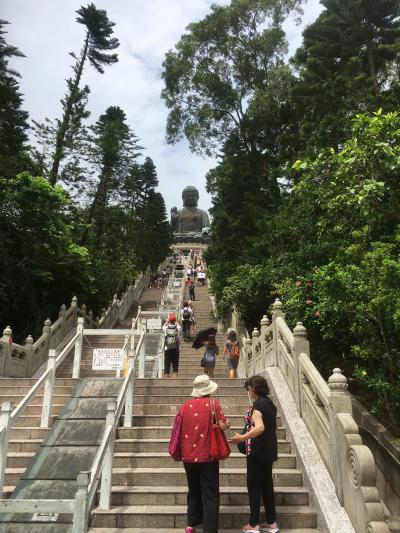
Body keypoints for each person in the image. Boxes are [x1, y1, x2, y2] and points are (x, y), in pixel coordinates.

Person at [175, 374, 230, 533]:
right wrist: (228, 423)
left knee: (193, 490)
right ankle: (210, 529)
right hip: (208, 455)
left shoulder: (184, 406)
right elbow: (222, 426)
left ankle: (191, 523)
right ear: (208, 389)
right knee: (210, 493)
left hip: (188, 456)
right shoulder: (213, 404)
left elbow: (178, 428)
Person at [229, 375, 279, 533]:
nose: (249, 391)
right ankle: (271, 523)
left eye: (250, 388)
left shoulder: (257, 405)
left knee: (254, 487)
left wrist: (241, 438)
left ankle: (253, 524)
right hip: (269, 450)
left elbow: (260, 427)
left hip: (256, 452)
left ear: (255, 389)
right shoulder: (270, 403)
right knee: (266, 486)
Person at [162, 313, 182, 378]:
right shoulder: (178, 328)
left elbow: (163, 326)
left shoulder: (165, 328)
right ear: (174, 320)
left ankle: (166, 381)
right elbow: (179, 325)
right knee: (175, 365)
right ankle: (174, 380)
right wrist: (176, 321)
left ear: (169, 321)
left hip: (167, 348)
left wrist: (167, 321)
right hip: (175, 349)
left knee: (166, 365)